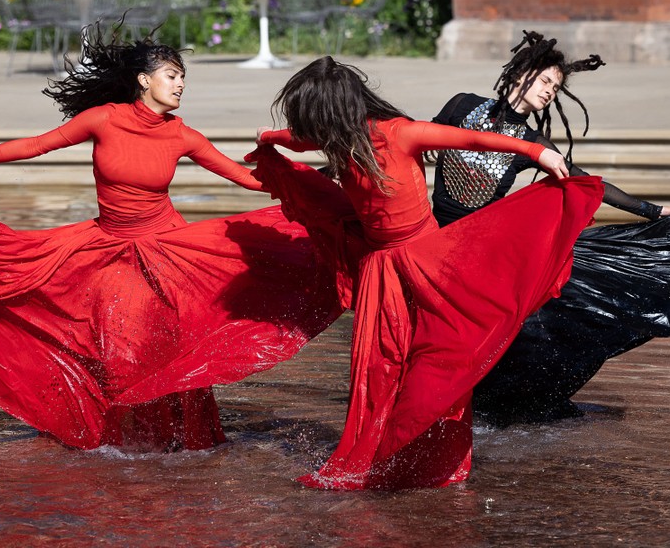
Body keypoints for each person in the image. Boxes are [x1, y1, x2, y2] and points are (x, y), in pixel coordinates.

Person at [0, 27, 342, 452]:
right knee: (112, 346)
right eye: (171, 76)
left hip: (166, 252)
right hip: (107, 248)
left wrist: (309, 181)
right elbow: (35, 146)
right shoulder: (103, 119)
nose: (180, 84)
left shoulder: (183, 134)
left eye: (183, 77)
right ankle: (121, 439)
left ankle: (176, 440)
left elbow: (245, 180)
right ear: (145, 80)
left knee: (160, 347)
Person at [247, 55, 604, 490]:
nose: (315, 131)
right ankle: (382, 450)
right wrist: (269, 136)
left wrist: (537, 151)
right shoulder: (340, 139)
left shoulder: (403, 133)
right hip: (381, 270)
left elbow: (472, 140)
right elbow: (300, 140)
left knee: (436, 358)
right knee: (380, 366)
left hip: (428, 262)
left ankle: (430, 455)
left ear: (335, 110)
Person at [430, 31, 670, 423]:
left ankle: (488, 402)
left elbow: (584, 182)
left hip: (476, 252)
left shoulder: (531, 140)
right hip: (429, 240)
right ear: (522, 72)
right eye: (545, 81)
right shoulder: (461, 105)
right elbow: (413, 142)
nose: (549, 93)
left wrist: (651, 210)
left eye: (555, 88)